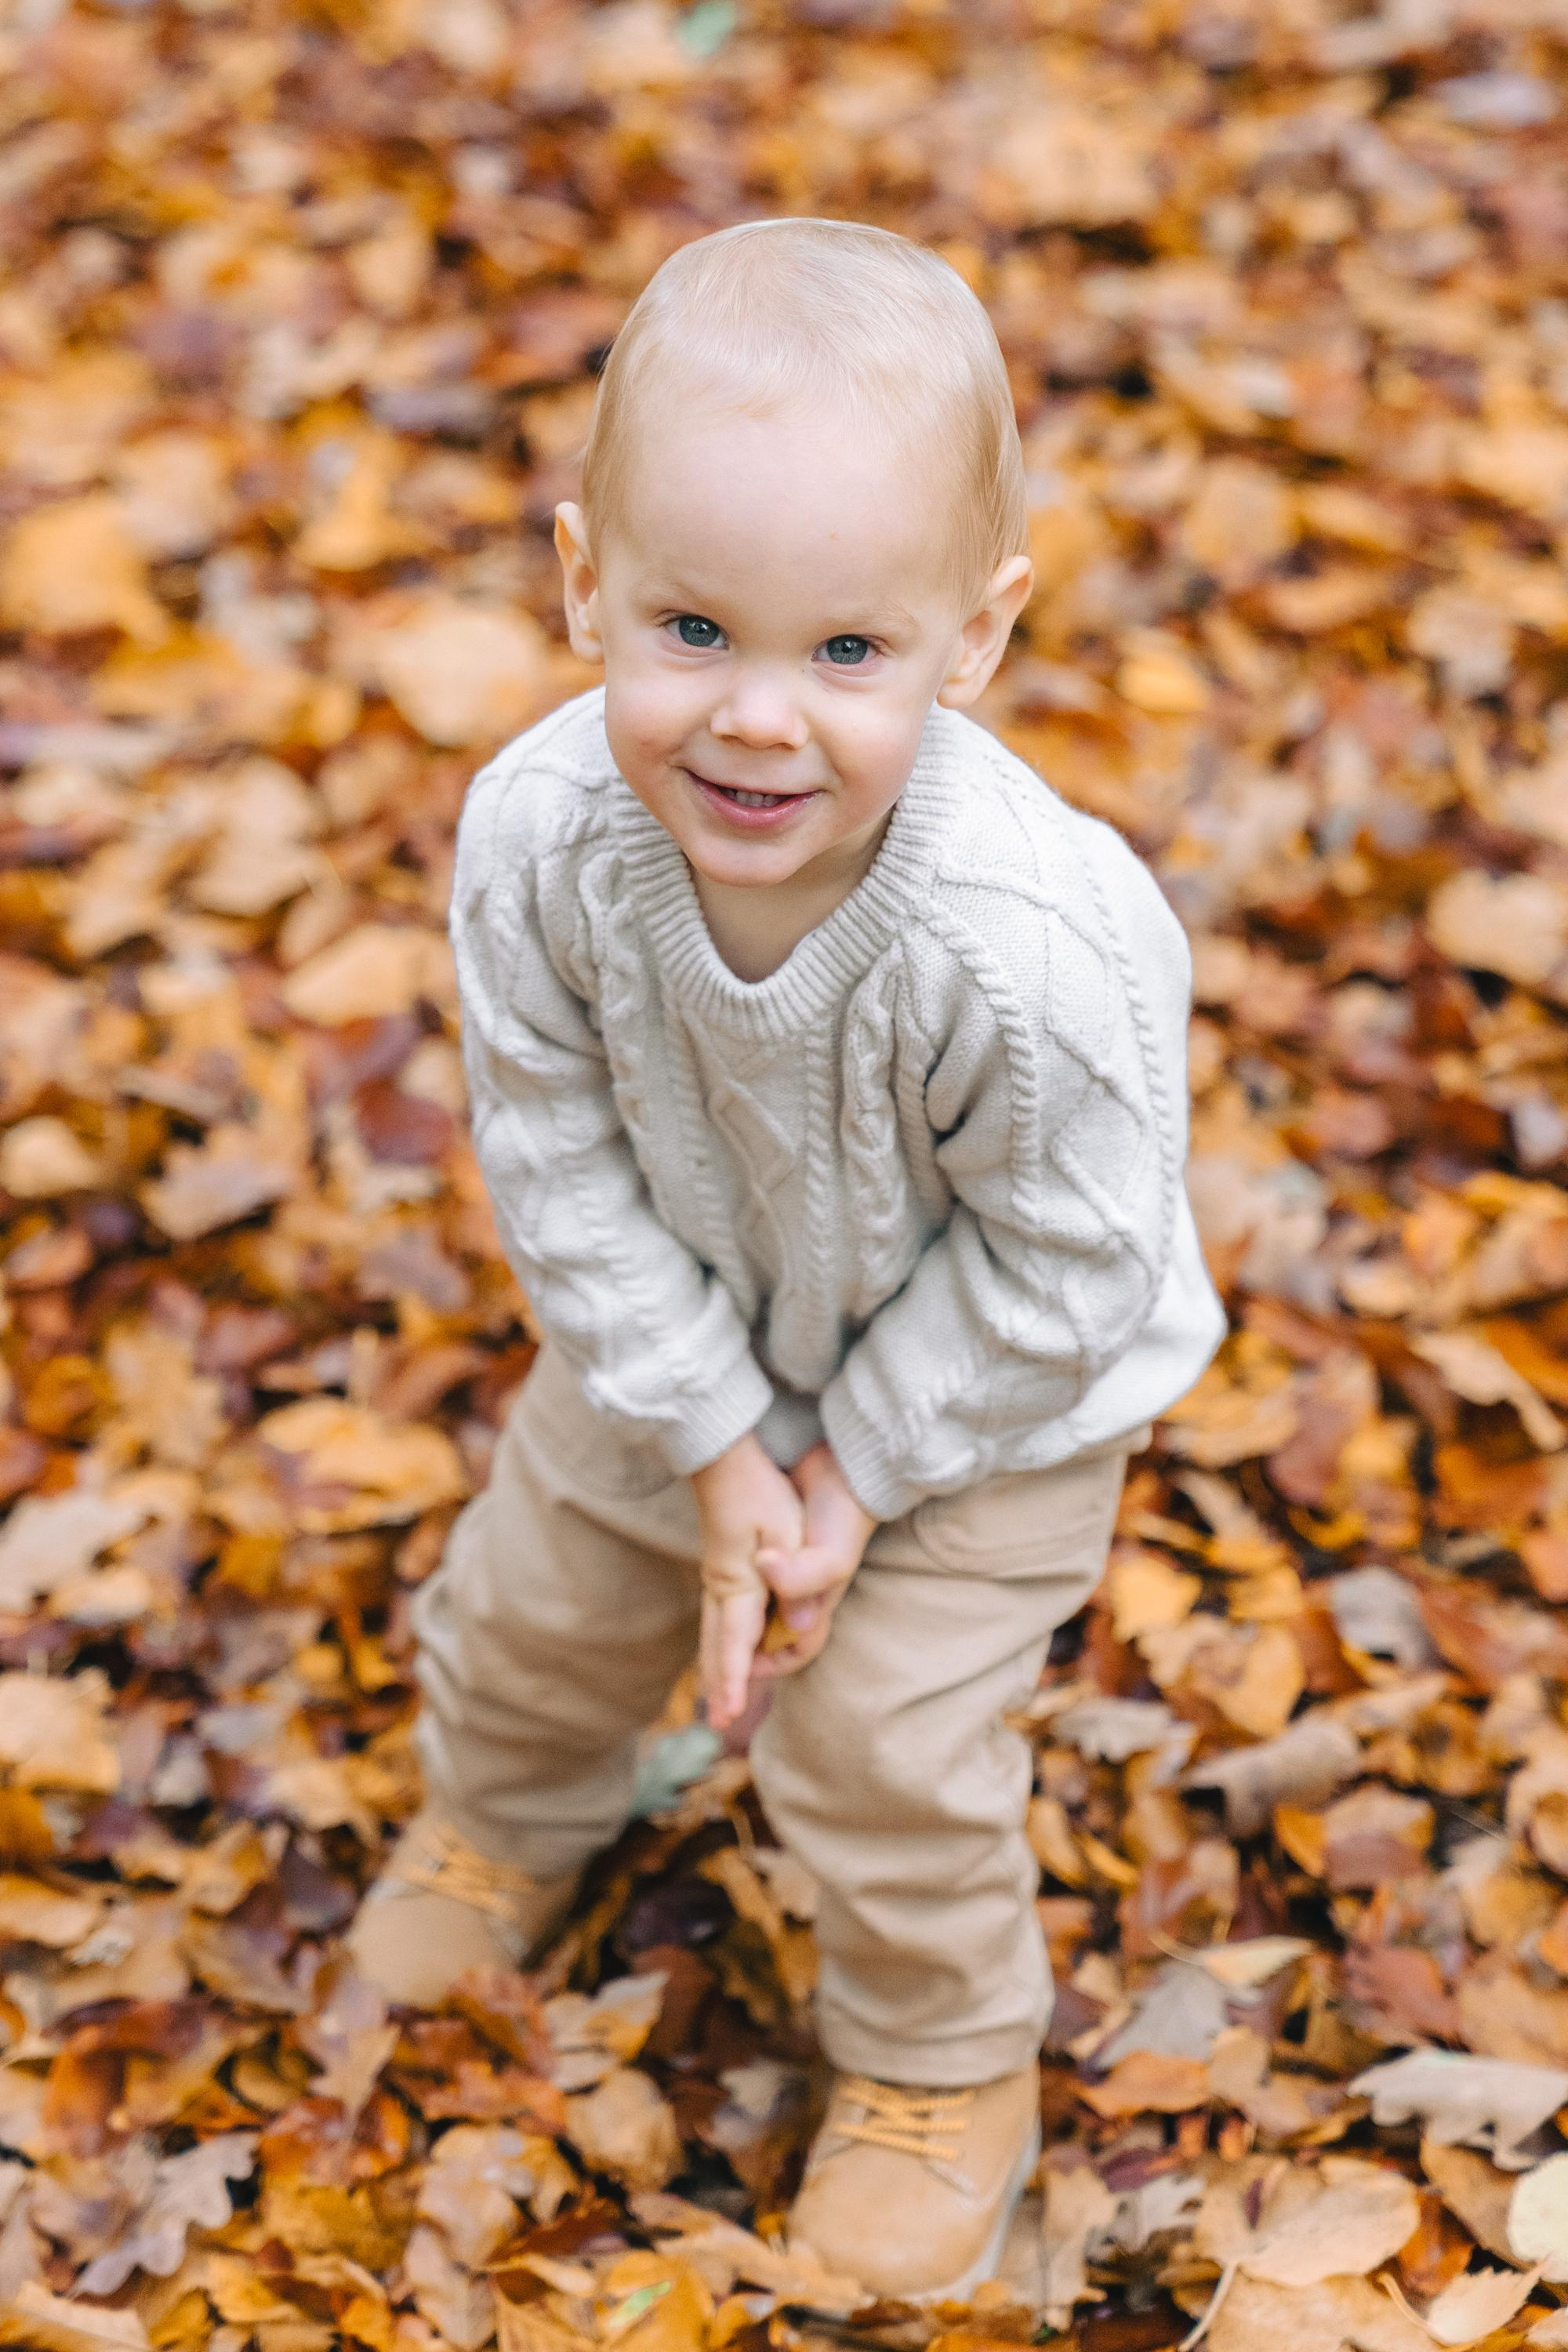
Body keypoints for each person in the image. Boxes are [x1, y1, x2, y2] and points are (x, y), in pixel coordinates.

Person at [348, 216, 1225, 2301]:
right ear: (583, 582)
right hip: (683, 1325)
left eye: (848, 653)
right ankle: (503, 1817)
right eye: (689, 627)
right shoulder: (541, 840)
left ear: (972, 640)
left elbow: (1070, 1262)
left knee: (872, 1738)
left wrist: (851, 1478)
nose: (757, 721)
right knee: (543, 1592)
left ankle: (943, 2064)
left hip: (994, 1406)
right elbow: (550, 1151)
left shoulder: (1028, 945)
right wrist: (723, 1440)